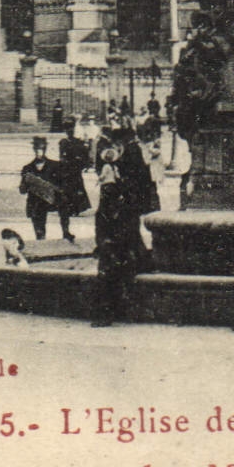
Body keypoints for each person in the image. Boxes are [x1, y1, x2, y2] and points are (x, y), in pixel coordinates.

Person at [91, 136, 144, 326]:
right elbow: (100, 226)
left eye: (109, 187)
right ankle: (106, 312)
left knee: (117, 267)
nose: (106, 191)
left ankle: (115, 311)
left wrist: (117, 244)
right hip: (111, 246)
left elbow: (131, 229)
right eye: (105, 188)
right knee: (106, 269)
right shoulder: (105, 206)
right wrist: (104, 243)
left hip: (125, 246)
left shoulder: (125, 203)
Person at [18, 136, 61, 241]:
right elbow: (22, 189)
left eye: (41, 149)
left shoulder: (54, 165)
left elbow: (60, 184)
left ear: (45, 149)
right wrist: (25, 184)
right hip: (35, 200)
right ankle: (40, 238)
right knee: (38, 224)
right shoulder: (28, 168)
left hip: (51, 199)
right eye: (37, 149)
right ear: (34, 150)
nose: (39, 152)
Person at [57, 117, 92, 242]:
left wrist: (81, 162)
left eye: (71, 128)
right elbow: (61, 156)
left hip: (75, 169)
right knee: (70, 188)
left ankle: (77, 207)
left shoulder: (78, 141)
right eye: (68, 129)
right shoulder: (63, 142)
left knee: (78, 187)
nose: (70, 131)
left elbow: (84, 155)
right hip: (68, 170)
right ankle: (72, 208)